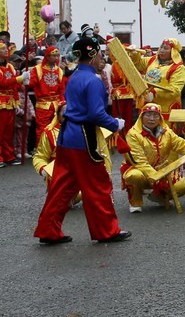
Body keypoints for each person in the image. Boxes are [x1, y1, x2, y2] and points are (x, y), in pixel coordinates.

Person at [34, 35, 129, 245]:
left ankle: (48, 229)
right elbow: (96, 114)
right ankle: (106, 230)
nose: (102, 58)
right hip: (84, 137)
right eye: (100, 53)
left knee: (62, 186)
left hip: (67, 135)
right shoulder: (93, 80)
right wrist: (116, 124)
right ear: (93, 54)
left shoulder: (75, 76)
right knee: (97, 184)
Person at [119, 103, 185, 213]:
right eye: (148, 115)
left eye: (155, 116)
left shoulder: (167, 132)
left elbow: (183, 145)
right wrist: (156, 178)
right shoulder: (133, 134)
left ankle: (159, 197)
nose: (152, 119)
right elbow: (139, 161)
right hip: (139, 169)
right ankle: (135, 201)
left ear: (160, 118)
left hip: (162, 169)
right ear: (141, 116)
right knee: (134, 176)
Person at [142, 38, 185, 118]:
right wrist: (134, 54)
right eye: (161, 47)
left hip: (166, 110)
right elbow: (137, 64)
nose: (162, 50)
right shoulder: (153, 60)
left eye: (166, 48)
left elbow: (174, 90)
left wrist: (154, 93)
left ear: (173, 52)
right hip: (147, 106)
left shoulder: (178, 68)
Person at [0, 45, 25, 166]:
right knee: (0, 130)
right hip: (1, 101)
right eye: (3, 49)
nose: (6, 50)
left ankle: (9, 155)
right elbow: (3, 83)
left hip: (10, 102)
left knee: (8, 132)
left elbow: (14, 85)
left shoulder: (10, 66)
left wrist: (23, 82)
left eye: (6, 48)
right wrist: (19, 78)